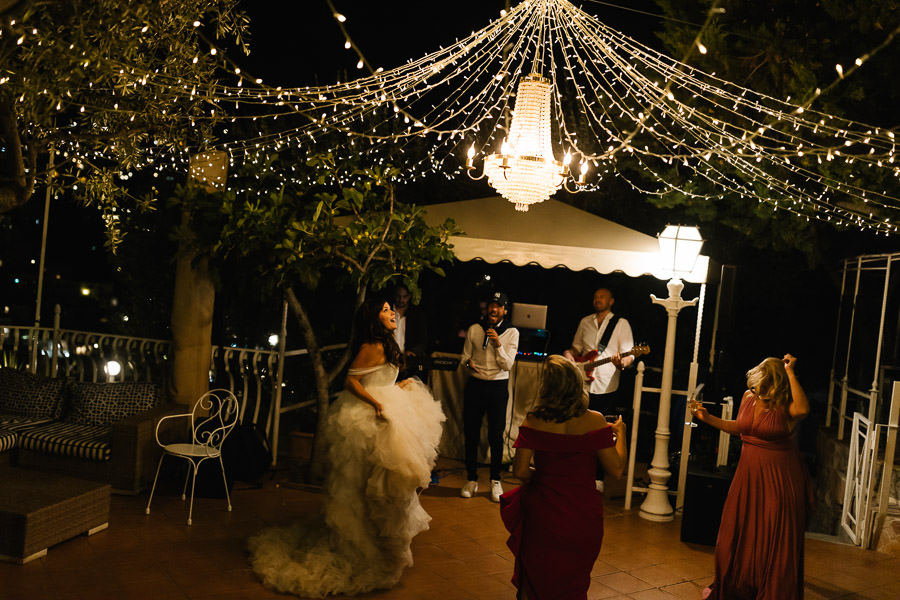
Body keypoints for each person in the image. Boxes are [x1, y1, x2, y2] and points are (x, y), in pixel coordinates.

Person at [247, 297, 446, 597]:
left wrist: (395, 389)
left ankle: (380, 547)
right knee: (366, 487)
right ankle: (361, 548)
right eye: (385, 309)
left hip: (388, 405)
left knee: (384, 488)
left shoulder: (386, 343)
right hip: (369, 417)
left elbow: (378, 376)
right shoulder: (372, 346)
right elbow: (351, 381)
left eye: (391, 308)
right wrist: (377, 403)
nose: (392, 313)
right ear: (373, 318)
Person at [499, 355, 627, 599]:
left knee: (536, 581)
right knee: (573, 583)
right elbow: (617, 470)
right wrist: (622, 434)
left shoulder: (534, 419)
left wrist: (548, 476)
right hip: (582, 516)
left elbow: (520, 472)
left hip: (544, 514)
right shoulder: (595, 420)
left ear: (547, 386)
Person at [690, 354, 812, 600]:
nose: (755, 388)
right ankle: (738, 586)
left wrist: (790, 371)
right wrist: (708, 419)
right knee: (737, 533)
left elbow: (803, 409)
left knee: (772, 537)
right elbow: (740, 427)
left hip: (779, 479)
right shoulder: (748, 398)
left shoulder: (786, 406)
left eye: (761, 382)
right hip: (747, 477)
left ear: (774, 382)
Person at [459, 291, 520, 502]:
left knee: (495, 436)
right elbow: (465, 357)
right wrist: (468, 364)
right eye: (491, 305)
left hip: (497, 386)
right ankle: (471, 479)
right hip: (475, 384)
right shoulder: (475, 328)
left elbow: (508, 365)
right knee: (471, 434)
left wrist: (497, 344)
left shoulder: (512, 332)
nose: (494, 309)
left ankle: (495, 480)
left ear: (505, 310)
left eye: (499, 306)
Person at [563, 287, 635, 416]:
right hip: (582, 383)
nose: (598, 299)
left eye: (602, 297)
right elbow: (576, 348)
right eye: (595, 297)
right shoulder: (585, 322)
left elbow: (629, 354)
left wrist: (621, 363)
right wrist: (568, 353)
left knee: (602, 424)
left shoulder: (621, 323)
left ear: (611, 301)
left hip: (606, 384)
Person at [392, 282, 428, 381]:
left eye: (405, 297)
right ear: (394, 295)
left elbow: (423, 340)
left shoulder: (417, 314)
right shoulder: (388, 311)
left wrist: (412, 351)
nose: (401, 300)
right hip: (388, 358)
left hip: (407, 362)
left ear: (410, 296)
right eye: (398, 296)